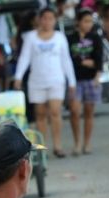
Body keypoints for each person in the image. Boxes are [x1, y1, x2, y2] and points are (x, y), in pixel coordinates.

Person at [14, 6, 77, 158]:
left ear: (55, 20)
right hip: (37, 81)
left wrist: (72, 81)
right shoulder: (31, 37)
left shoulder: (59, 37)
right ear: (39, 20)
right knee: (40, 114)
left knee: (55, 112)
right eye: (44, 18)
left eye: (51, 18)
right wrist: (18, 76)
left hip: (56, 80)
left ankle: (58, 146)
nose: (47, 21)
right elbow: (24, 58)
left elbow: (66, 60)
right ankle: (42, 148)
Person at [68, 8, 104, 156]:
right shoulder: (70, 38)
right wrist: (84, 61)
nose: (89, 24)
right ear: (78, 22)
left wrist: (97, 75)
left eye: (90, 21)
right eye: (86, 21)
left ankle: (86, 143)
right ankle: (77, 143)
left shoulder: (95, 37)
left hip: (91, 79)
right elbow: (69, 58)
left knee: (89, 112)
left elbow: (98, 59)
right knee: (75, 111)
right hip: (75, 80)